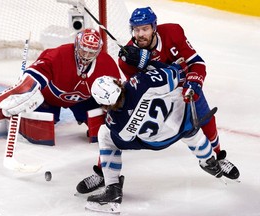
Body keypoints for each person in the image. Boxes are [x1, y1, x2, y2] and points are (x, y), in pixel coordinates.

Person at [77, 6, 239, 194]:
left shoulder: (173, 32)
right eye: (136, 30)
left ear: (154, 27)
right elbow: (141, 88)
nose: (140, 34)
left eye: (145, 29)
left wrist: (194, 83)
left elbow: (197, 63)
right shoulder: (127, 58)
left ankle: (217, 157)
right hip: (160, 97)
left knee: (206, 117)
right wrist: (142, 64)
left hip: (186, 86)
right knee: (112, 133)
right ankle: (103, 173)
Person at [85, 61, 235, 213]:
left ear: (103, 104)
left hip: (158, 142)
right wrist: (154, 66)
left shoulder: (115, 122)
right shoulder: (142, 82)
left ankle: (113, 189)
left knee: (105, 135)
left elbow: (128, 139)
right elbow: (177, 72)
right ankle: (209, 160)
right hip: (184, 120)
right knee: (191, 132)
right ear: (117, 82)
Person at [0, 28, 121, 147]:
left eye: (91, 52)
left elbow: (117, 92)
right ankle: (9, 116)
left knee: (104, 126)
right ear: (76, 45)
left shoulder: (106, 63)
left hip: (83, 99)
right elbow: (38, 72)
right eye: (83, 50)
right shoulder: (59, 54)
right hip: (49, 98)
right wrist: (23, 89)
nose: (86, 56)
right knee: (40, 133)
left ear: (98, 51)